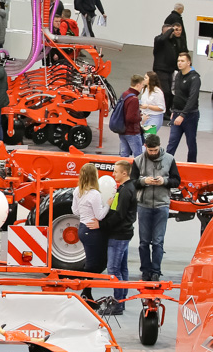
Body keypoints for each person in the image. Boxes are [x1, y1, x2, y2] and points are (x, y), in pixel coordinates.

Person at [130, 135, 179, 282]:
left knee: (158, 242)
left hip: (162, 205)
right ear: (145, 147)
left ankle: (156, 271)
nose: (153, 153)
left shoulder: (169, 159)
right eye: (150, 150)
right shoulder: (138, 160)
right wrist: (144, 181)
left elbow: (176, 181)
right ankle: (145, 271)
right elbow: (132, 182)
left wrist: (164, 181)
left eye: (155, 150)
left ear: (159, 146)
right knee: (144, 242)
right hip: (143, 205)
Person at [99, 159, 137, 315]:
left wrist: (102, 225)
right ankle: (121, 300)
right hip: (124, 233)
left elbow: (119, 215)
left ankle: (117, 304)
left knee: (114, 269)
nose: (113, 174)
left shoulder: (125, 191)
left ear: (124, 173)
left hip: (119, 234)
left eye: (115, 171)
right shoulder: (127, 188)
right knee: (122, 268)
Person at [71, 164, 108, 306]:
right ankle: (86, 293)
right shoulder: (95, 194)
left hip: (82, 228)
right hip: (92, 230)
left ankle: (87, 292)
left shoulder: (77, 191)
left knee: (91, 260)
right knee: (95, 263)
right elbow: (100, 215)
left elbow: (75, 211)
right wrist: (108, 205)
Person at [167, 52, 201, 162]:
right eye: (178, 61)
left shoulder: (195, 78)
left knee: (191, 142)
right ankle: (166, 164)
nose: (179, 63)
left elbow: (192, 98)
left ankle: (192, 165)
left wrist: (182, 115)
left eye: (182, 61)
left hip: (190, 115)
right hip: (177, 113)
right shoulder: (178, 75)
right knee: (172, 142)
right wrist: (174, 110)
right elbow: (177, 95)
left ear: (188, 62)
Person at [152, 24, 186, 119]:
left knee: (170, 93)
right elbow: (163, 39)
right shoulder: (159, 40)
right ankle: (162, 111)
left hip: (170, 70)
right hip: (161, 70)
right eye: (169, 31)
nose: (172, 33)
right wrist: (171, 30)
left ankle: (167, 110)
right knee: (165, 91)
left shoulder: (172, 41)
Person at [116, 74, 144, 157]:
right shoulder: (134, 99)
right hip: (132, 132)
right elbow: (130, 118)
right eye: (142, 85)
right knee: (138, 156)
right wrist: (140, 117)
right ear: (138, 85)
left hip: (122, 130)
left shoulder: (125, 94)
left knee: (124, 155)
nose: (142, 87)